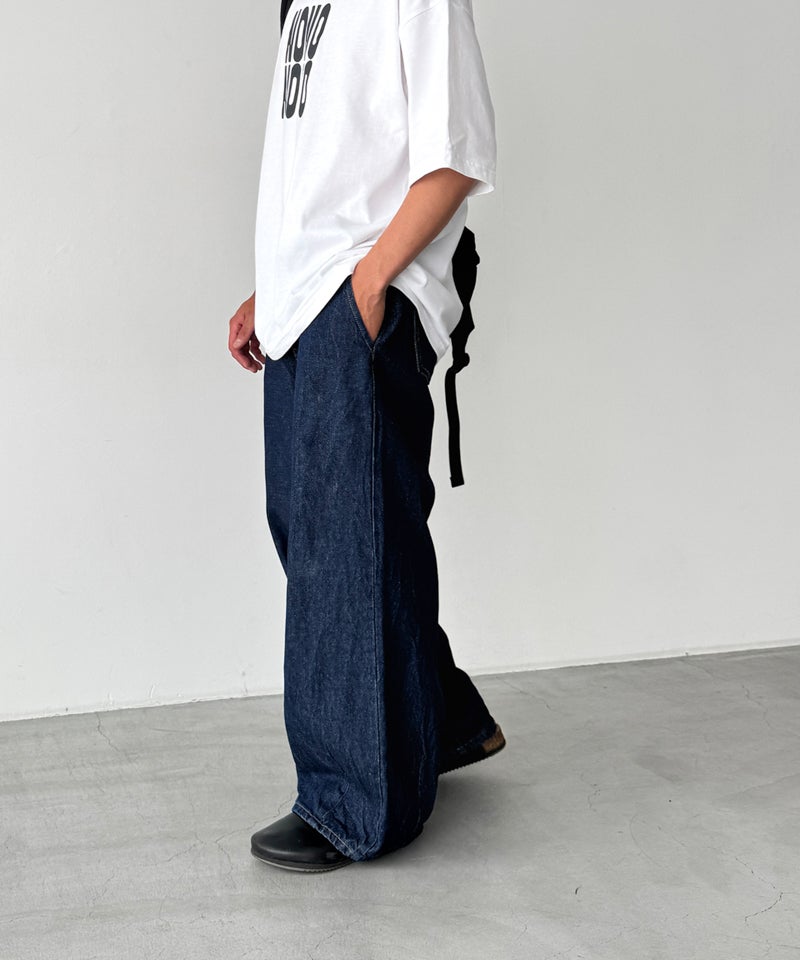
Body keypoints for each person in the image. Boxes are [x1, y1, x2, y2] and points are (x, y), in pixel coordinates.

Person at [227, 0, 505, 872]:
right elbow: (322, 170)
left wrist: (371, 283)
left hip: (361, 301)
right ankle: (442, 720)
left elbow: (455, 153)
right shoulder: (301, 5)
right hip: (305, 303)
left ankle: (356, 805)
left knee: (348, 549)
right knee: (314, 531)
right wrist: (273, 287)